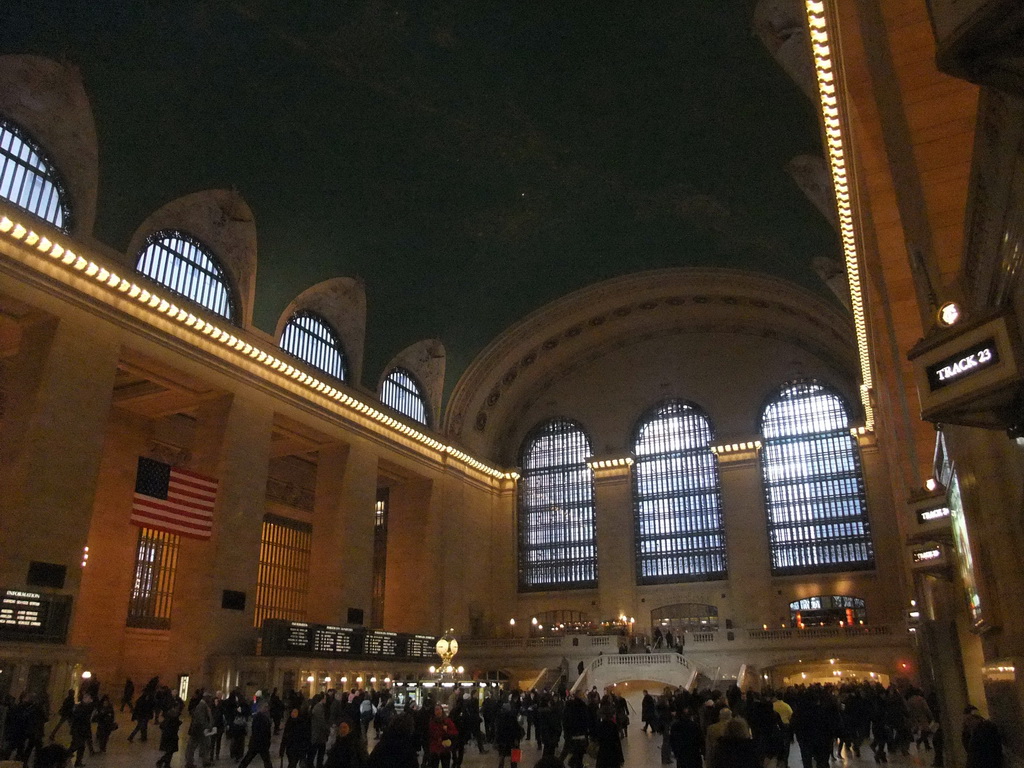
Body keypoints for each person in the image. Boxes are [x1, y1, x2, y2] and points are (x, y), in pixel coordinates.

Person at [238, 700, 274, 768]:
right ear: (261, 708)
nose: (267, 708)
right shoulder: (258, 717)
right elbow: (257, 730)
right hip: (258, 743)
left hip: (261, 743)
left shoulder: (265, 717)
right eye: (265, 707)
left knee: (266, 760)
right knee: (249, 758)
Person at [426, 703, 458, 768]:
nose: (438, 712)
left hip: (445, 748)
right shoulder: (431, 722)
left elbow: (455, 732)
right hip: (435, 748)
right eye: (436, 710)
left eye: (440, 709)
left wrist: (447, 731)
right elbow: (429, 734)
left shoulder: (447, 721)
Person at [593, 702, 624, 768]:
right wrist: (621, 758)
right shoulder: (613, 726)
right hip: (613, 753)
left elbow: (597, 739)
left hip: (602, 753)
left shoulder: (599, 726)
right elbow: (617, 742)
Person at [68, 693, 95, 768]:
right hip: (78, 730)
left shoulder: (85, 706)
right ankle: (66, 755)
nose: (90, 700)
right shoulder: (80, 707)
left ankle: (78, 762)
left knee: (81, 747)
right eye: (89, 698)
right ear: (85, 698)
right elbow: (79, 718)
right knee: (76, 745)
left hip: (82, 730)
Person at [495, 702, 524, 768]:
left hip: (502, 739)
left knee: (502, 755)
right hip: (512, 739)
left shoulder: (499, 717)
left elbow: (497, 730)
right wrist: (517, 738)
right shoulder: (512, 717)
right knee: (514, 754)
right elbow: (516, 728)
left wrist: (497, 740)